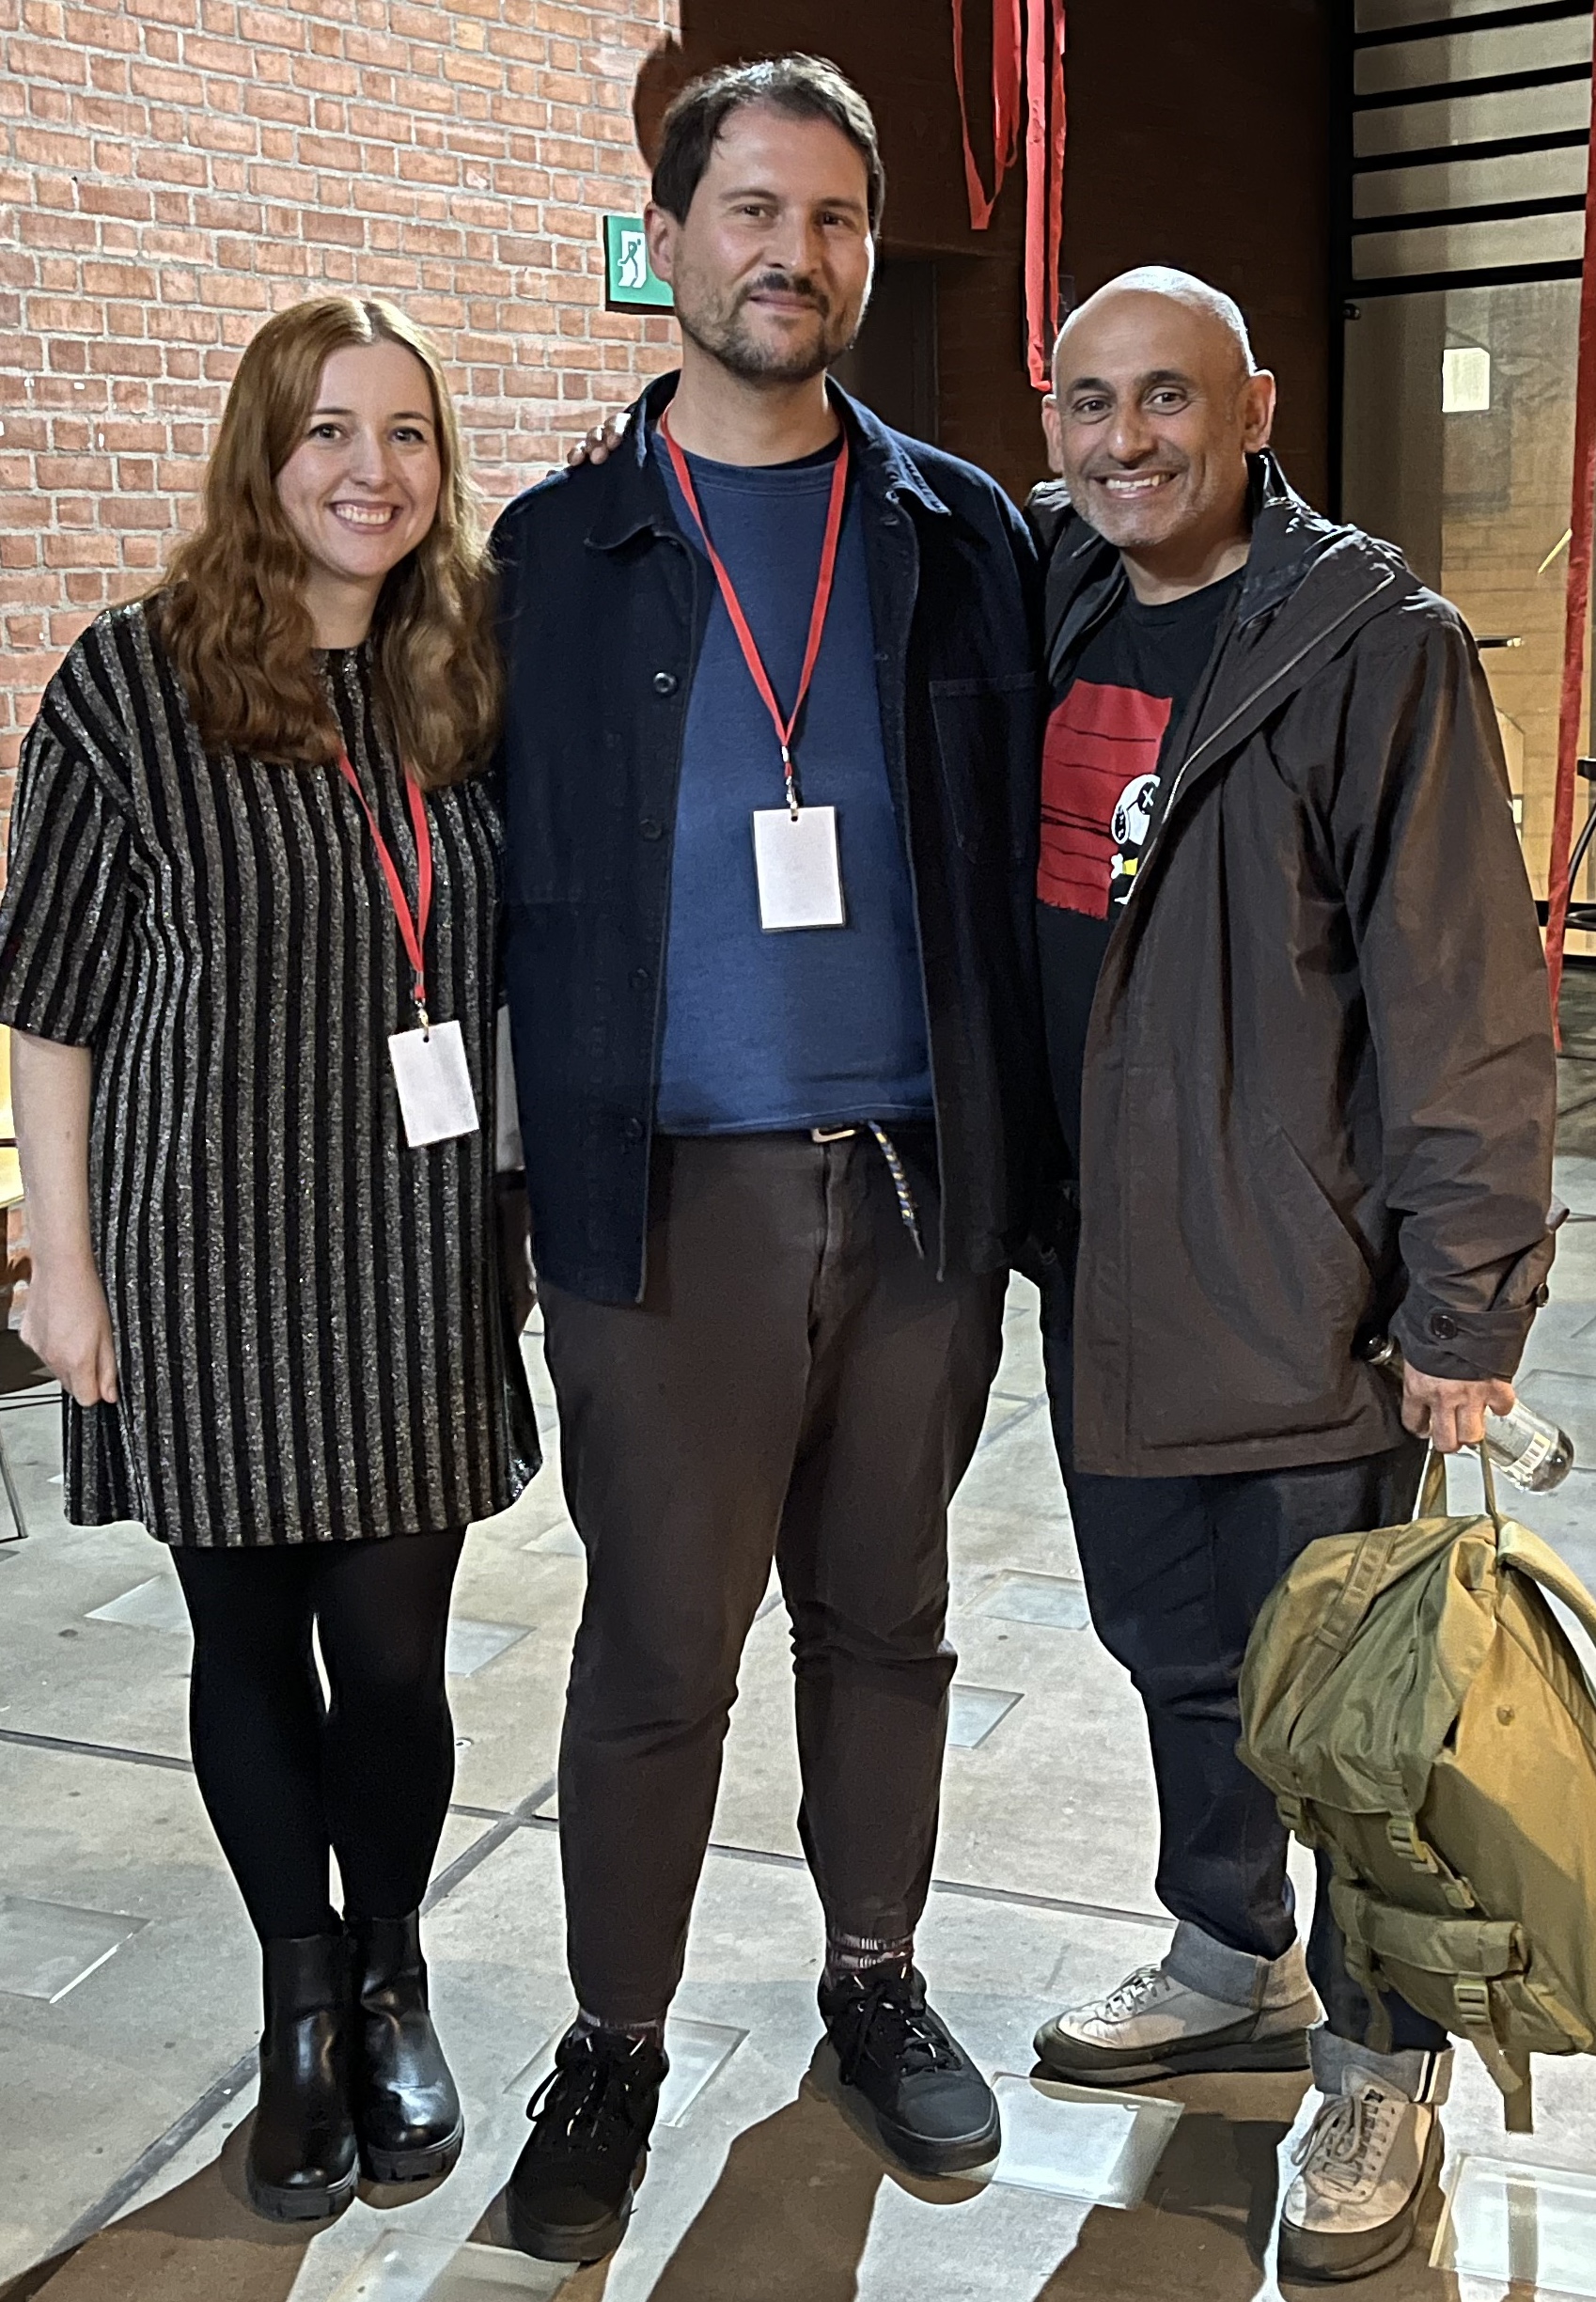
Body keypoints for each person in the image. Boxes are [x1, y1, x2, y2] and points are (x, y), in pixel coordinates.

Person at [492, 55, 1046, 2266]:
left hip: (915, 1188)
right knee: (657, 1648)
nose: (791, 253)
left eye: (831, 216)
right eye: (749, 210)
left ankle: (873, 1979)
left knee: (887, 1620)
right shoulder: (553, 558)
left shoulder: (965, 536)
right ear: (668, 241)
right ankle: (614, 2038)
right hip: (663, 1206)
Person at [1024, 268, 1557, 2282]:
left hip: (1301, 1287)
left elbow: (1462, 997)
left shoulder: (1369, 643)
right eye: (1090, 402)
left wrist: (1462, 1309)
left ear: (1252, 408)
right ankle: (1224, 1946)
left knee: (1353, 1702)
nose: (1128, 440)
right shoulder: (1061, 596)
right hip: (1107, 1270)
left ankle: (1379, 2054)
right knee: (1173, 1648)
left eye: (1168, 398)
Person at [0, 295, 539, 2224]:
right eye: (328, 431)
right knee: (245, 1645)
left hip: (414, 1244)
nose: (369, 472)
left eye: (406, 433)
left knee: (390, 1658)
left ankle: (391, 1975)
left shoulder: (464, 671)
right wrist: (62, 1269)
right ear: (262, 453)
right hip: (202, 1247)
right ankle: (298, 2003)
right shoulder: (130, 683)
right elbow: (51, 1002)